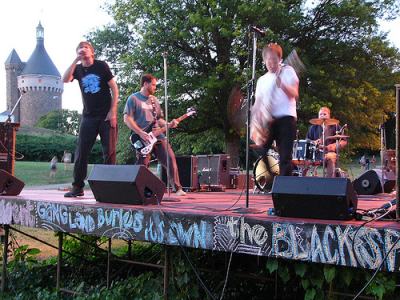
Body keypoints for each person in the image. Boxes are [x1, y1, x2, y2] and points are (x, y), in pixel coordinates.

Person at [62, 41, 119, 197]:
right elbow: (65, 79)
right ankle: (77, 187)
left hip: (106, 116)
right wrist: (75, 61)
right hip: (89, 116)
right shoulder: (78, 69)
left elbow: (114, 88)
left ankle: (110, 188)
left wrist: (113, 112)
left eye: (86, 47)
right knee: (81, 151)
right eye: (80, 48)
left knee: (109, 152)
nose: (83, 49)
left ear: (92, 52)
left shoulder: (101, 66)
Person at [123, 74, 186, 196]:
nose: (155, 87)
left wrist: (169, 124)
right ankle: (137, 189)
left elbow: (159, 119)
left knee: (170, 158)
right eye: (153, 84)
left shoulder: (154, 100)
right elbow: (127, 119)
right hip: (141, 137)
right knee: (143, 164)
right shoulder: (133, 98)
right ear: (145, 84)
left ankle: (177, 188)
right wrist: (140, 132)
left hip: (158, 136)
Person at [250, 43, 299, 176]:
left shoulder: (288, 71)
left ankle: (285, 189)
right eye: (268, 61)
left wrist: (282, 84)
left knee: (285, 157)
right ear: (264, 61)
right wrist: (254, 123)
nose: (271, 64)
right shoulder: (262, 80)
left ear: (280, 59)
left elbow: (294, 93)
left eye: (274, 60)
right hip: (269, 120)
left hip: (286, 119)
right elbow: (258, 103)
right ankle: (273, 175)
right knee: (262, 149)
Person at [306, 107, 347, 178]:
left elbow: (344, 141)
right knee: (301, 160)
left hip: (329, 153)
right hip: (315, 154)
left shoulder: (335, 126)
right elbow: (307, 141)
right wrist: (314, 142)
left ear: (329, 116)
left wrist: (335, 145)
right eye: (320, 114)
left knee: (330, 157)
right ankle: (302, 181)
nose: (322, 116)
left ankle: (329, 182)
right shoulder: (313, 127)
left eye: (324, 114)